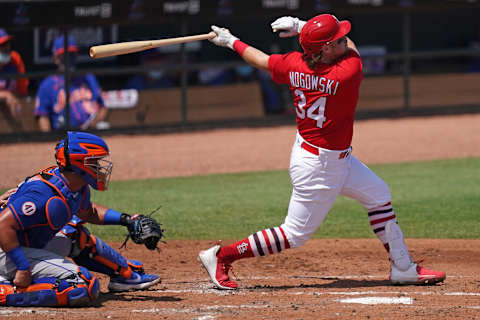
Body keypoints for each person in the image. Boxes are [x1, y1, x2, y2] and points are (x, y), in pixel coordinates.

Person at [198, 14, 446, 290]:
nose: (343, 40)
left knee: (379, 195)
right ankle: (221, 256)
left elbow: (262, 60)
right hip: (319, 166)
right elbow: (353, 48)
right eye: (336, 39)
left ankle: (403, 267)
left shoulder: (294, 63)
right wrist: (302, 26)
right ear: (325, 49)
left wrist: (232, 42)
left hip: (330, 157)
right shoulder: (345, 73)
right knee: (294, 234)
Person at [0, 131, 161, 307]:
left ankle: (126, 276)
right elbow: (2, 226)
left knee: (76, 235)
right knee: (80, 285)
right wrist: (23, 267)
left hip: (25, 243)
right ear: (79, 164)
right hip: (7, 250)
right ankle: (5, 291)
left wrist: (126, 220)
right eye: (94, 162)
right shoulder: (43, 195)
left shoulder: (75, 187)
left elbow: (89, 212)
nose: (99, 167)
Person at [34, 35, 107, 132]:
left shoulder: (88, 78)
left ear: (76, 56)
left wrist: (94, 123)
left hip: (91, 132)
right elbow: (43, 117)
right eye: (64, 55)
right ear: (56, 58)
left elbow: (102, 108)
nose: (69, 59)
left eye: (71, 54)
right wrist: (49, 139)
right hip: (64, 136)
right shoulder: (47, 85)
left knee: (104, 126)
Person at [0, 28, 29, 125]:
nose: (7, 48)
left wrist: (13, 97)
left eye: (8, 43)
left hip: (10, 118)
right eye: (2, 45)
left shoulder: (15, 59)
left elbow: (22, 91)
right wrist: (5, 95)